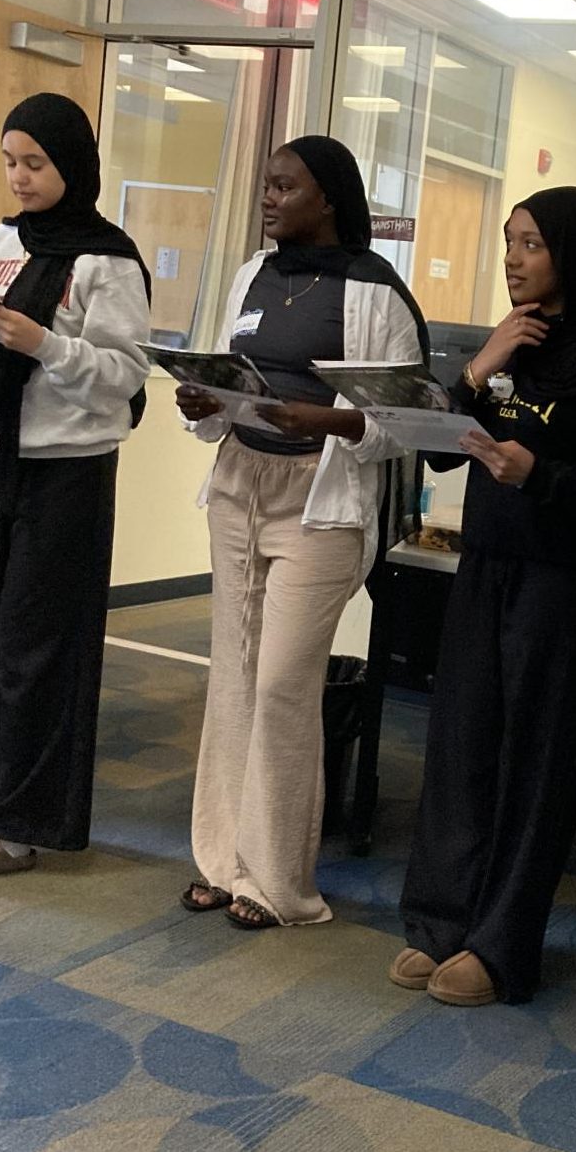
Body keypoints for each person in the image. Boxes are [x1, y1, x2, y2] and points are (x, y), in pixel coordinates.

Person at [393, 187, 576, 1007]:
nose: (513, 258)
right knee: (462, 746)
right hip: (487, 568)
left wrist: (537, 473)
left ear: (573, 255)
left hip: (562, 583)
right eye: (509, 242)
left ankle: (500, 947)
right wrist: (478, 366)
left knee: (533, 765)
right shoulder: (510, 348)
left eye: (531, 243)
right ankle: (439, 923)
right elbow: (435, 455)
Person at [179, 135, 428, 930]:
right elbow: (228, 369)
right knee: (233, 674)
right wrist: (205, 401)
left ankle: (277, 880)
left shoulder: (376, 290)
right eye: (266, 184)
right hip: (238, 485)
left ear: (328, 198)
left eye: (285, 186)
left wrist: (327, 419)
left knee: (283, 683)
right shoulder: (253, 273)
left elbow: (404, 418)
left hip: (321, 504)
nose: (269, 197)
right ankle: (221, 859)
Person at [0, 92, 150, 880]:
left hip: (66, 470)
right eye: (10, 161)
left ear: (72, 164)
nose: (18, 177)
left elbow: (123, 378)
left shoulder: (107, 257)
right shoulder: (1, 240)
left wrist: (44, 342)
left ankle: (19, 824)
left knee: (38, 649)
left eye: (35, 163)